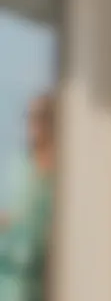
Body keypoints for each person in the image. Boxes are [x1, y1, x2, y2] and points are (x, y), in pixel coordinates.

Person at [0, 93, 56, 301]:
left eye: (40, 117)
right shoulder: (17, 166)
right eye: (30, 116)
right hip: (8, 278)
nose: (34, 124)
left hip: (42, 281)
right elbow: (8, 216)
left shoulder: (63, 176)